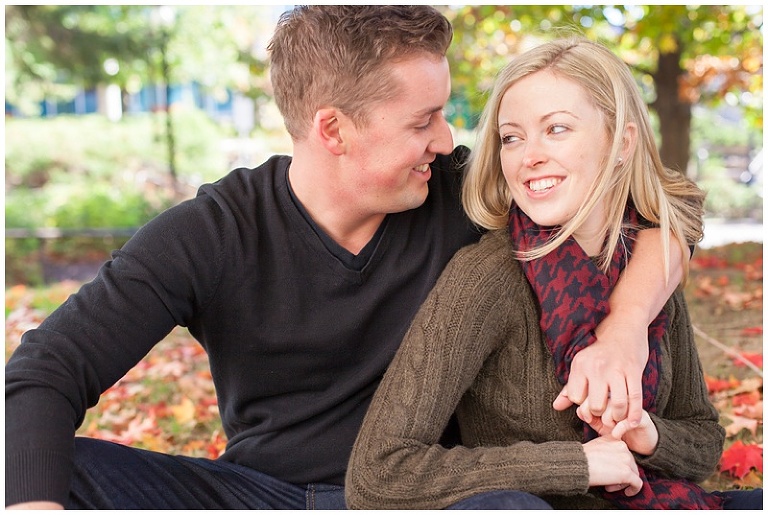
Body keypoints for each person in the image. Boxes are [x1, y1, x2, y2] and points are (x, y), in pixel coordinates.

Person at [6, 8, 686, 510]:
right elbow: (46, 369)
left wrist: (624, 328)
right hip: (254, 495)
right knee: (34, 470)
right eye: (423, 121)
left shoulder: (460, 191)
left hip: (421, 496)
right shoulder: (213, 231)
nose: (445, 138)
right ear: (334, 128)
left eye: (443, 114)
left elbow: (664, 211)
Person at [346, 37, 763, 510]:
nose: (530, 156)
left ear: (622, 142)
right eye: (512, 137)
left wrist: (648, 435)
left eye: (557, 129)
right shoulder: (488, 276)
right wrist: (577, 464)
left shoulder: (649, 267)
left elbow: (703, 440)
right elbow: (378, 474)